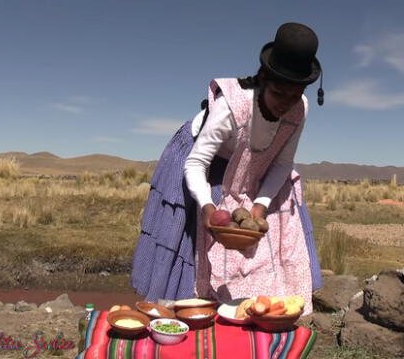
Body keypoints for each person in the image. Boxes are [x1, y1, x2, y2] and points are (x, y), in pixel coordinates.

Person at [131, 22, 323, 315]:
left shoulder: (300, 108)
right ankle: (187, 313)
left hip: (257, 168)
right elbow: (196, 163)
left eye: (293, 96)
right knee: (196, 248)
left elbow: (283, 163)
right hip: (204, 162)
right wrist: (209, 209)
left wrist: (259, 205)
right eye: (278, 93)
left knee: (273, 234)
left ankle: (257, 313)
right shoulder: (231, 106)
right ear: (262, 79)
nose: (286, 104)